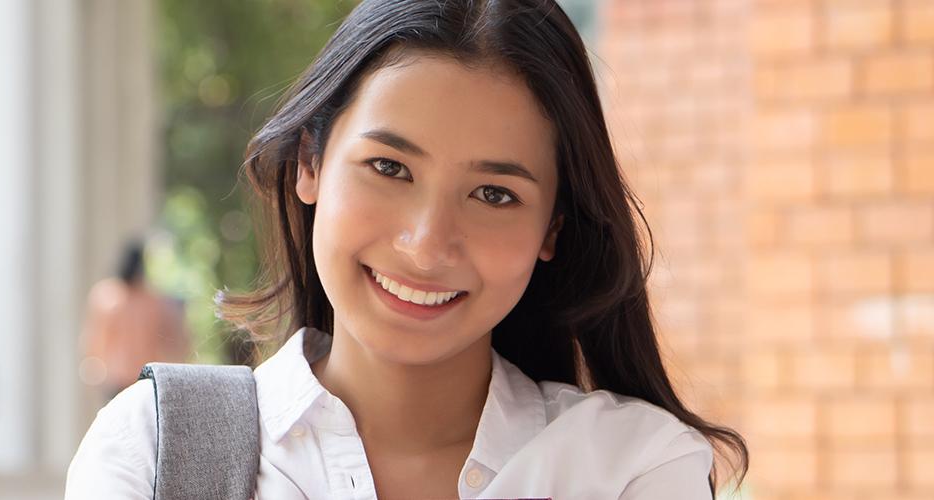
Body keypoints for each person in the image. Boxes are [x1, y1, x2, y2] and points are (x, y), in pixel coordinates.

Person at [65, 0, 749, 498]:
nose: (426, 246)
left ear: (553, 231)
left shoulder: (630, 468)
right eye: (390, 169)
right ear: (310, 163)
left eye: (493, 194)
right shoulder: (156, 449)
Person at [79, 239, 192, 404]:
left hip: (119, 377)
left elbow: (95, 339)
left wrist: (93, 368)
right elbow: (176, 340)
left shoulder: (107, 295)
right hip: (139, 378)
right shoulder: (151, 301)